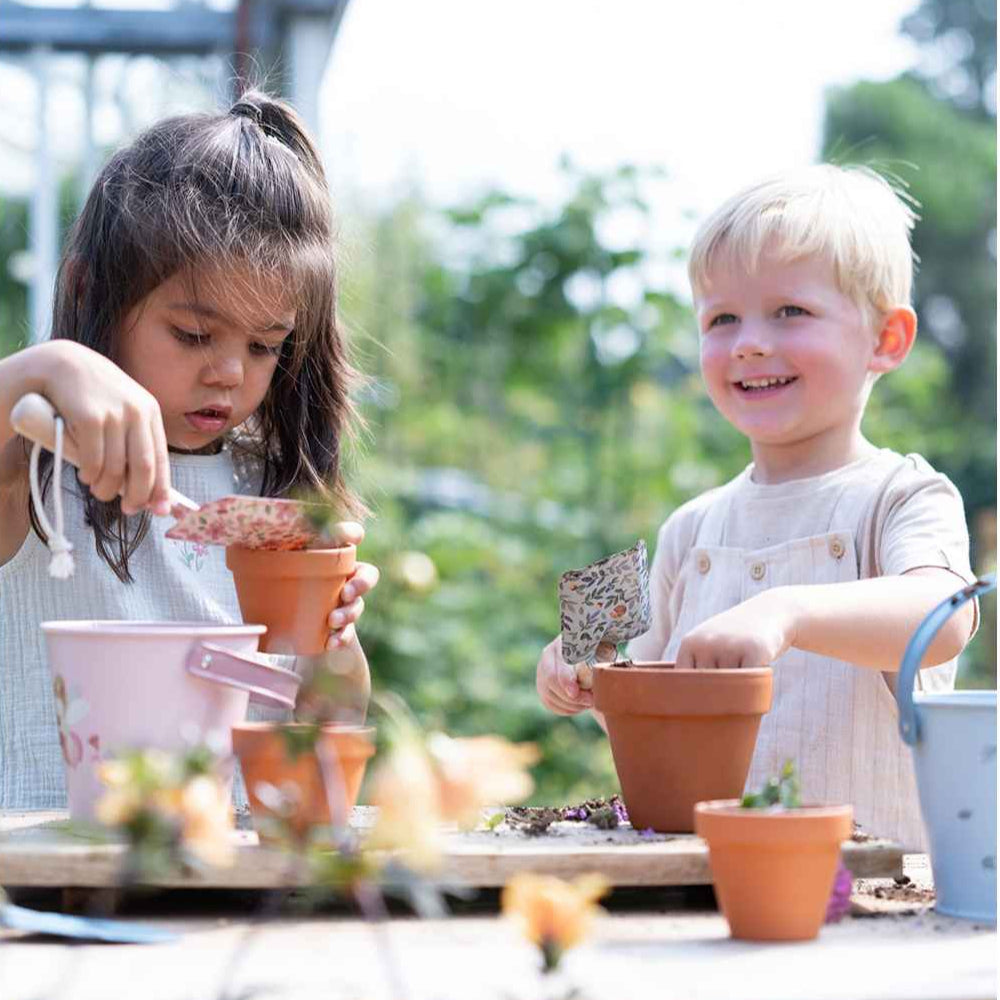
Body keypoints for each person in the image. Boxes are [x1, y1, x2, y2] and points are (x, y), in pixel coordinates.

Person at [536, 164, 978, 848]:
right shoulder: (692, 525)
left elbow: (945, 616)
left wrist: (788, 610)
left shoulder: (903, 494)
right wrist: (579, 666)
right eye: (722, 318)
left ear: (886, 340)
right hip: (708, 878)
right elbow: (636, 689)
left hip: (872, 891)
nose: (748, 341)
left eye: (790, 311)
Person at [0, 92, 379, 810]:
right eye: (194, 335)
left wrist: (333, 643)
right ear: (92, 292)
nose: (229, 373)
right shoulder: (34, 470)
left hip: (223, 893)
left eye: (265, 344)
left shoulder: (270, 496)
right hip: (43, 883)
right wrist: (50, 366)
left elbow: (324, 730)